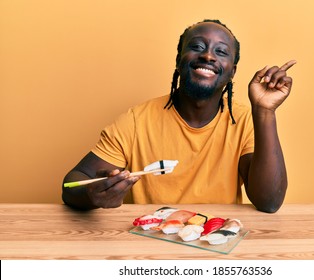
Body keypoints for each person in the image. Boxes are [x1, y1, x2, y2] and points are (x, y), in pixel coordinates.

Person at [62, 19, 296, 213]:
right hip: (152, 246)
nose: (208, 57)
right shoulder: (136, 121)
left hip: (218, 242)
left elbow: (269, 201)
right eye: (197, 47)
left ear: (232, 71)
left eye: (221, 51)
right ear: (178, 60)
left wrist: (264, 112)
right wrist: (92, 195)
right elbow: (72, 184)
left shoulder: (244, 120)